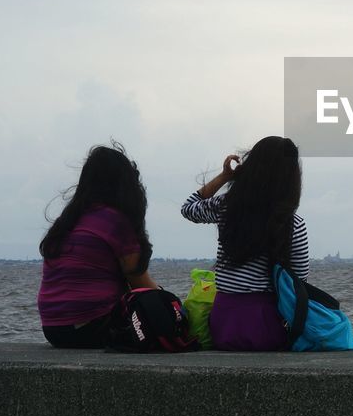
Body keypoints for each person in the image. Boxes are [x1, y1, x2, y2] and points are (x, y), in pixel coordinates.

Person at [180, 136, 309, 351]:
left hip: (223, 325)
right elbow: (300, 283)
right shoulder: (292, 224)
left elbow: (189, 208)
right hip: (266, 325)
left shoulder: (225, 207)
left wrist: (224, 176)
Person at [37, 144, 157, 348]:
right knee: (161, 316)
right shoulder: (115, 222)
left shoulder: (68, 220)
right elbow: (142, 286)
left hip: (53, 329)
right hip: (91, 326)